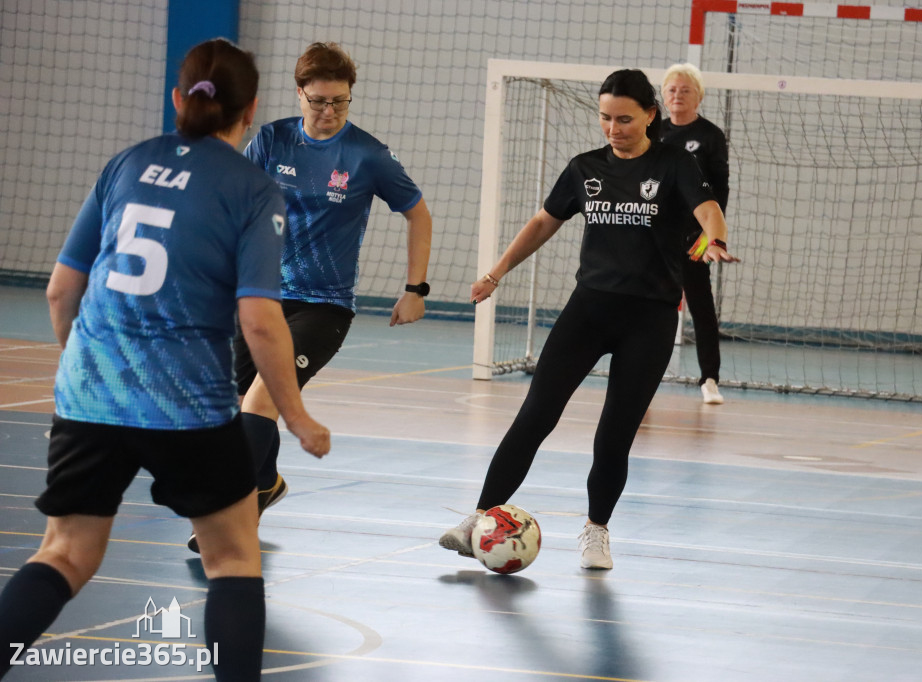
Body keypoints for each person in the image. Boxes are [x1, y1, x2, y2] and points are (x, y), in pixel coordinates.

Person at [0, 39, 331, 681]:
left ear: (178, 99)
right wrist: (296, 416)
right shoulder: (253, 190)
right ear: (251, 109)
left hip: (90, 396)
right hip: (187, 404)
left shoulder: (125, 165)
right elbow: (260, 320)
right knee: (233, 559)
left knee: (65, 553)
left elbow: (60, 290)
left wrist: (82, 374)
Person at [439, 69, 738, 570]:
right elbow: (542, 222)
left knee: (615, 432)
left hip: (650, 319)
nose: (614, 128)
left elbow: (708, 209)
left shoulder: (674, 165)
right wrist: (495, 272)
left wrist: (717, 240)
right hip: (589, 310)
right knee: (535, 415)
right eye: (605, 118)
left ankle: (596, 531)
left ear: (650, 116)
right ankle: (478, 516)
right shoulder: (584, 168)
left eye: (625, 118)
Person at [186, 41, 432, 553]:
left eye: (340, 102)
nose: (328, 112)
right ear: (299, 94)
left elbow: (418, 213)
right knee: (234, 408)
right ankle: (266, 483)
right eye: (318, 101)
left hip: (323, 308)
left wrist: (415, 289)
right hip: (258, 299)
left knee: (262, 398)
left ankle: (226, 513)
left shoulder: (368, 155)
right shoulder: (273, 140)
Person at [660, 62, 731, 405]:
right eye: (672, 90)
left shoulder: (711, 136)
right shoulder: (652, 133)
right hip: (656, 238)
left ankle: (710, 379)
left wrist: (710, 237)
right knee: (651, 306)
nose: (678, 96)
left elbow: (720, 192)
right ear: (663, 95)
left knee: (701, 306)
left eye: (685, 90)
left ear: (698, 96)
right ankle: (644, 371)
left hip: (694, 239)